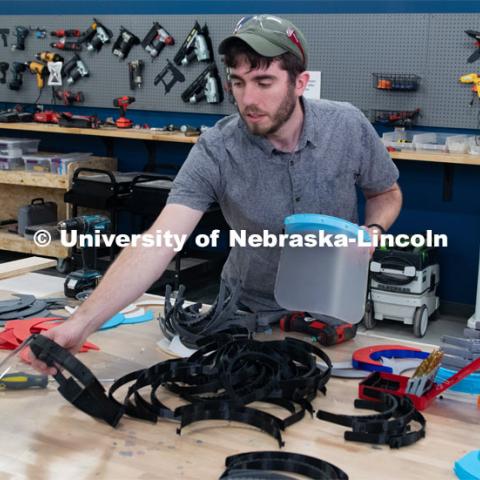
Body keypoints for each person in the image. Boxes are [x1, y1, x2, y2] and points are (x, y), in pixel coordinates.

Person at [31, 14, 402, 373]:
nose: (248, 99)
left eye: (264, 82)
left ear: (299, 82)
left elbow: (386, 193)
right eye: (238, 82)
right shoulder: (216, 148)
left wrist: (374, 231)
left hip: (331, 312)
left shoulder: (347, 126)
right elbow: (158, 241)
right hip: (246, 312)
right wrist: (80, 324)